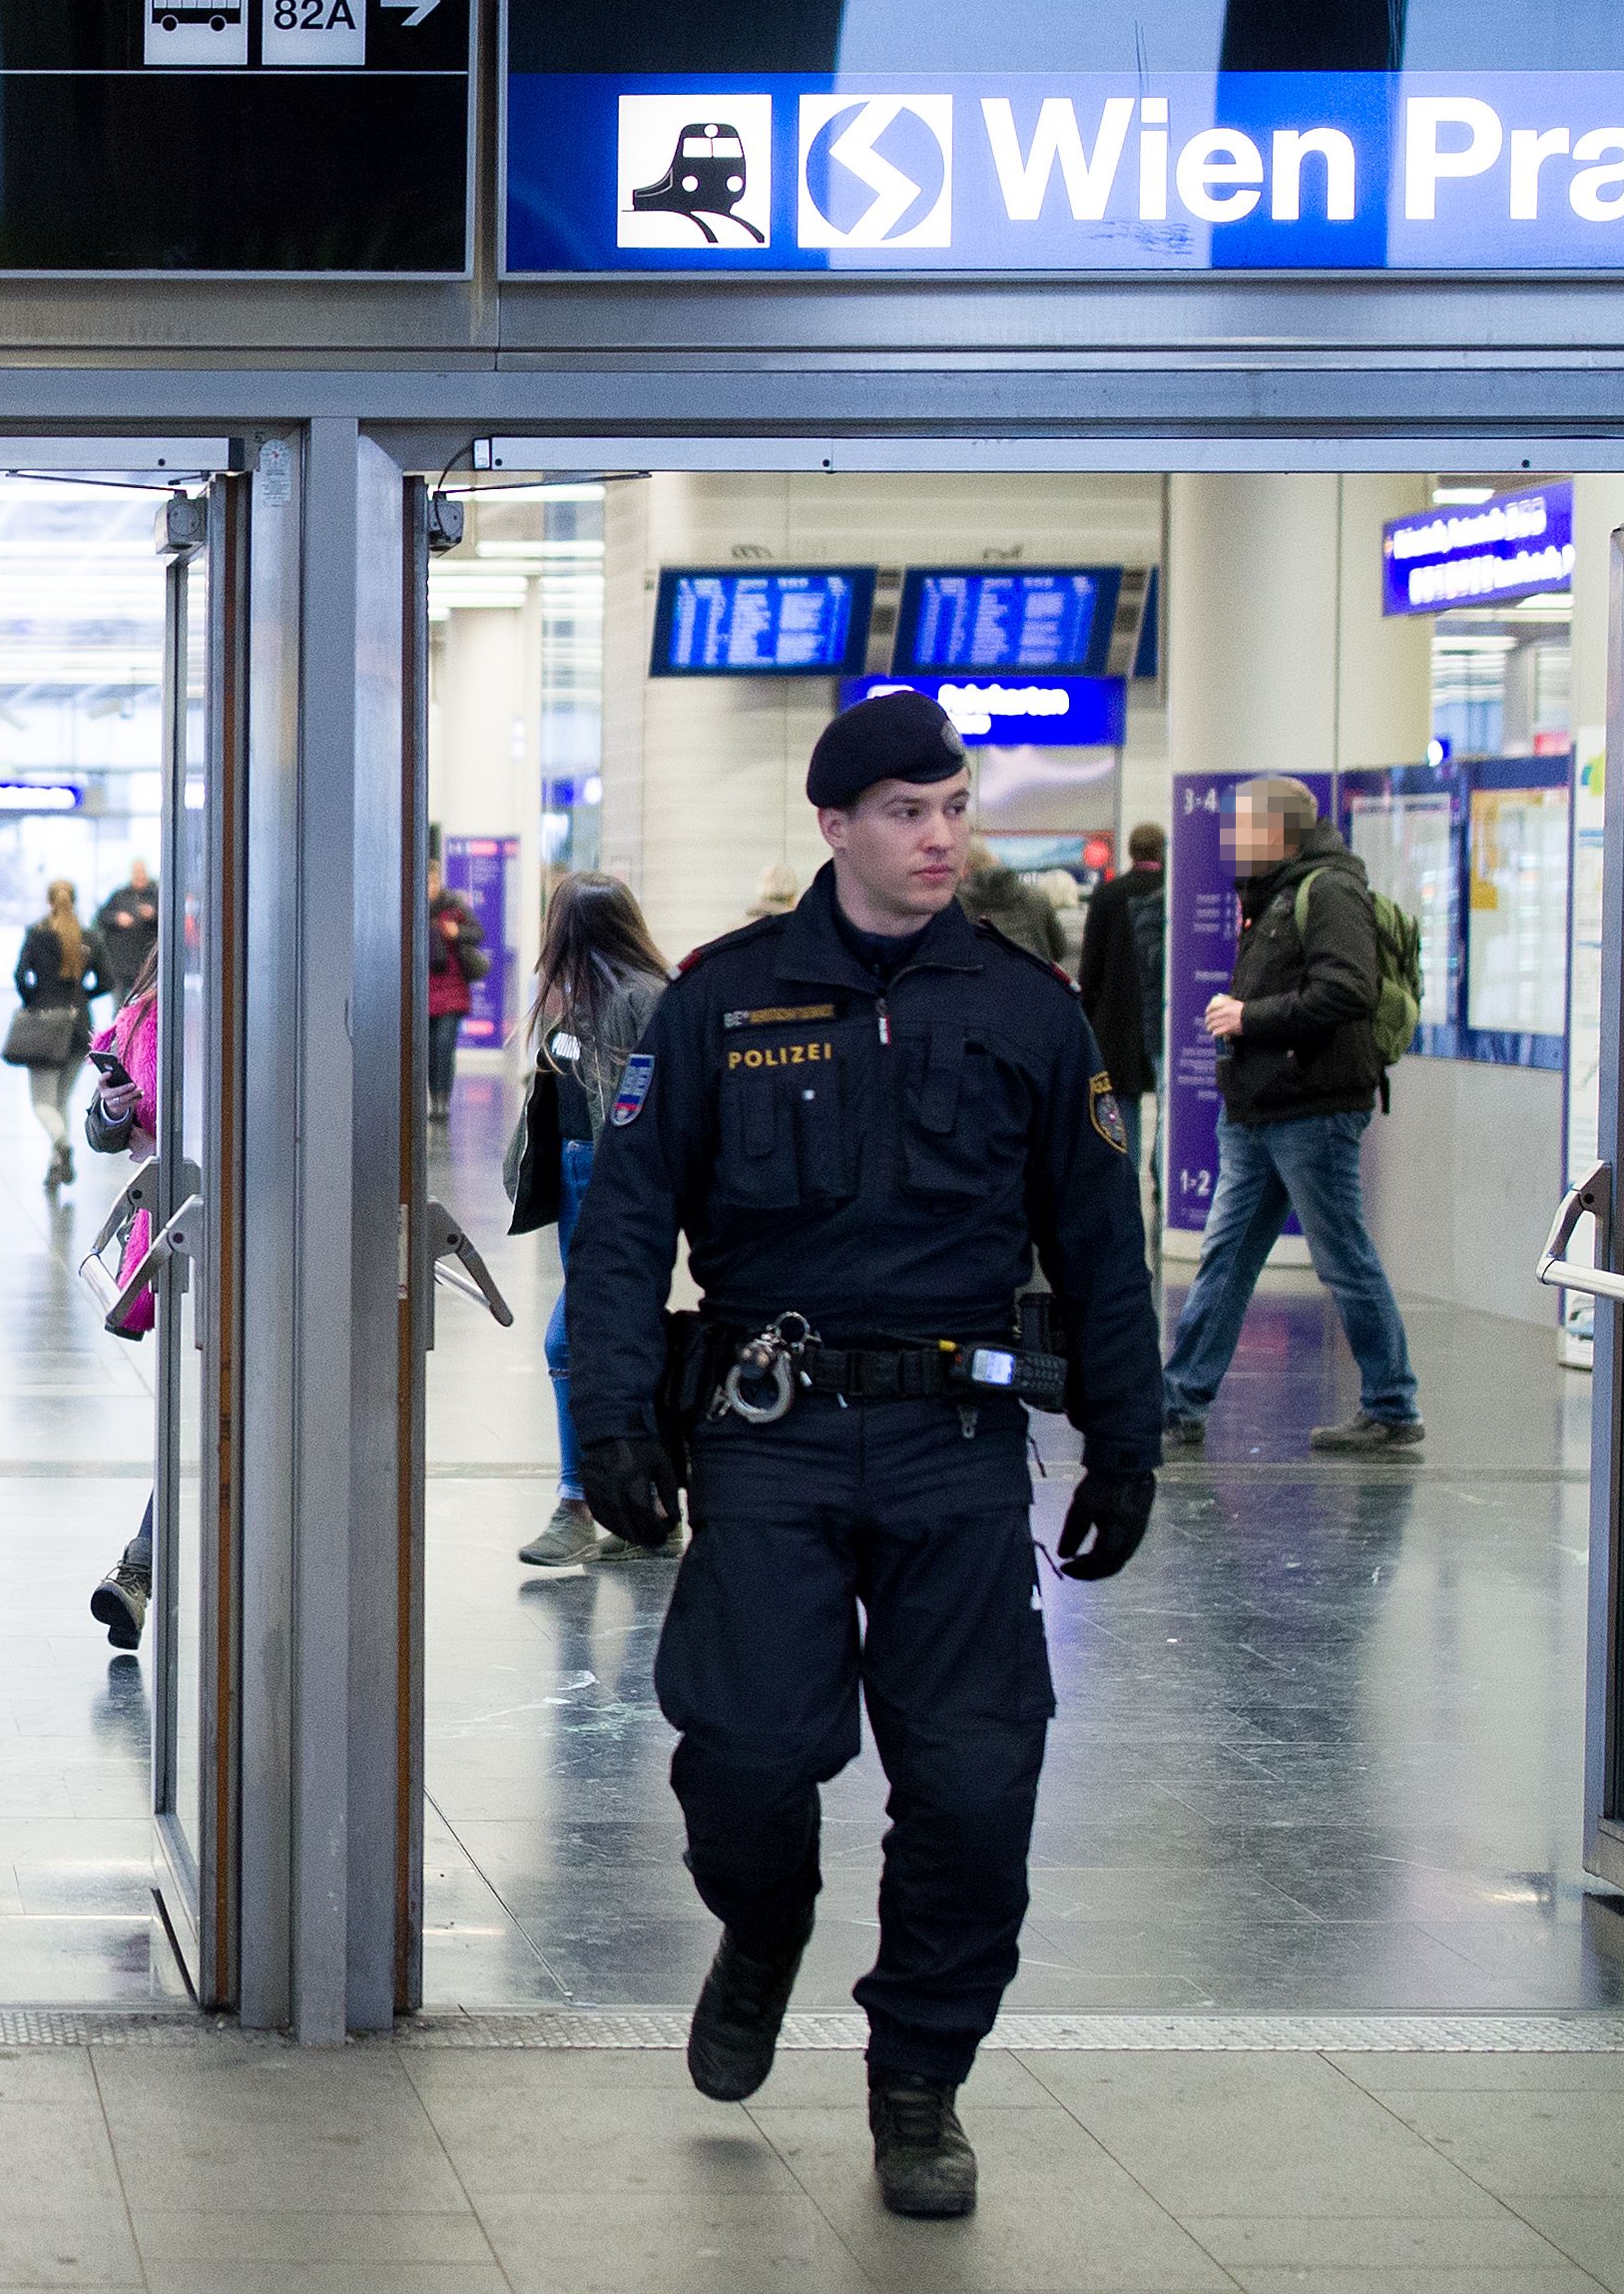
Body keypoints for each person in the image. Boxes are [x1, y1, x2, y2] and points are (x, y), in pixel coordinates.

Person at [563, 689, 1161, 2221]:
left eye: (955, 809)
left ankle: (919, 2087)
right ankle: (763, 1930)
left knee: (974, 1787)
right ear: (834, 826)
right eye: (908, 813)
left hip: (958, 1444)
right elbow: (628, 1228)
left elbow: (1101, 1244)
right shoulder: (721, 1003)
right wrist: (616, 1417)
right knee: (748, 1758)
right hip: (770, 1435)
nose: (941, 837)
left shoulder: (1028, 1010)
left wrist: (1125, 1441)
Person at [1159, 776, 1422, 1458]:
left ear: (1280, 831)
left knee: (1342, 1259)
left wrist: (1249, 1017)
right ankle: (1179, 1400)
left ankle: (1392, 1405)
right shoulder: (1273, 893)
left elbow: (1347, 989)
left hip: (1313, 1109)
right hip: (1258, 1109)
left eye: (1242, 827)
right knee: (1226, 1258)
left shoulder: (1328, 890)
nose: (1230, 841)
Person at [507, 872, 670, 1567]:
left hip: (614, 1184)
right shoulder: (568, 1002)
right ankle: (648, 1505)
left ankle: (580, 1501)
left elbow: (649, 1106)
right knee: (606, 1340)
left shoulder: (641, 1000)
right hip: (576, 1175)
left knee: (569, 1341)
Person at [81, 957, 165, 1649]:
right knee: (206, 1412)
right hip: (182, 1237)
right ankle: (139, 1567)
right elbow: (104, 1127)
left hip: (267, 1239)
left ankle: (139, 1567)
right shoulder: (149, 1013)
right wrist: (115, 1107)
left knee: (210, 1416)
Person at [1076, 825, 1168, 1206]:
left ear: (1130, 852)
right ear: (1162, 851)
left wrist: (1088, 1015)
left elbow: (1091, 964)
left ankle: (1125, 1180)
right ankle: (1163, 1176)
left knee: (1123, 1100)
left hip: (1117, 1019)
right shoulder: (1173, 892)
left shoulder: (1108, 894)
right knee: (1166, 1101)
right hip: (1162, 1015)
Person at [13, 879, 104, 1193]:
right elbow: (105, 980)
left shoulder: (37, 935)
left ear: (49, 901)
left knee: (42, 1103)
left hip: (45, 1026)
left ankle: (62, 1146)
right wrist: (82, 996)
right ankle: (55, 1167)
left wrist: (34, 999)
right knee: (61, 1100)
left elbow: (20, 975)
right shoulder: (89, 936)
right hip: (79, 1027)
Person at [425, 870, 483, 1116]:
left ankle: (442, 1101)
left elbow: (478, 934)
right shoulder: (412, 907)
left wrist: (457, 932)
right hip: (424, 992)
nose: (430, 886)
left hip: (453, 990)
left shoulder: (455, 907)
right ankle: (433, 1097)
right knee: (428, 1049)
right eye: (426, 881)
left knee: (444, 1046)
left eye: (434, 881)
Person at [957, 843, 1066, 964]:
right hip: (1035, 977)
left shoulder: (955, 906)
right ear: (993, 860)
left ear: (963, 870)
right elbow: (1059, 950)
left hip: (982, 980)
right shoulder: (1036, 896)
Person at [91, 859, 161, 995]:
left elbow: (171, 921)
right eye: (136, 873)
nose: (139, 876)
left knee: (145, 1005)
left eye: (142, 872)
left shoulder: (156, 895)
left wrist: (153, 915)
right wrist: (117, 918)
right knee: (120, 1007)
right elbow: (101, 917)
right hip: (119, 964)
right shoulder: (120, 895)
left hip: (146, 964)